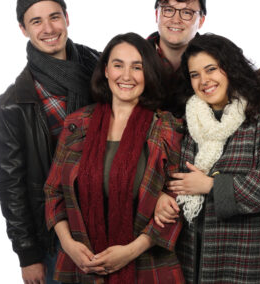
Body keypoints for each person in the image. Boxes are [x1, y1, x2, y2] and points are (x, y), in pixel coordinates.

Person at [44, 33, 185, 284]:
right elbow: (53, 193)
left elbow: (181, 200)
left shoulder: (166, 127)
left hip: (147, 266)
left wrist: (130, 251)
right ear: (106, 71)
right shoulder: (77, 123)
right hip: (82, 264)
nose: (126, 76)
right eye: (118, 65)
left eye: (137, 67)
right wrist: (69, 244)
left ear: (148, 73)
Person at [158, 33, 260, 283]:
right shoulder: (187, 120)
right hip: (189, 256)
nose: (204, 81)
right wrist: (163, 196)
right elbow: (169, 174)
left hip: (242, 257)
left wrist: (211, 185)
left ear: (229, 69)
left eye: (211, 70)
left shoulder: (259, 118)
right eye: (195, 74)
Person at [0, 1, 99, 283]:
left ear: (67, 18)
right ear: (23, 29)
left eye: (54, 17)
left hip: (111, 223)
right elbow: (10, 185)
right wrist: (28, 256)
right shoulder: (14, 104)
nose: (49, 28)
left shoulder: (103, 69)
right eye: (36, 21)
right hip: (55, 239)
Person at [148, 0, 206, 116]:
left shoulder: (220, 62)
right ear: (156, 15)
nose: (175, 20)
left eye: (186, 12)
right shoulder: (130, 58)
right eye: (168, 10)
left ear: (200, 21)